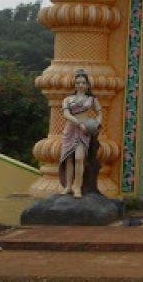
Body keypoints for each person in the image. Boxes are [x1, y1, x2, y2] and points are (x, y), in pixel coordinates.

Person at [59, 69, 102, 198]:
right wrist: (79, 123)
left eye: (83, 82)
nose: (80, 85)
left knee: (79, 158)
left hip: (84, 131)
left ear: (87, 85)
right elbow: (66, 114)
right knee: (68, 159)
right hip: (71, 130)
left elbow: (100, 113)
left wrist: (96, 124)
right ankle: (68, 186)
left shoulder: (92, 100)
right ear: (75, 84)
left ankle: (77, 186)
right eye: (77, 82)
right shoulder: (67, 99)